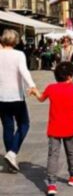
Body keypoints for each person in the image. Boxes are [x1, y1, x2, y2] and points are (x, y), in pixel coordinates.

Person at [31, 62, 73, 195]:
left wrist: (35, 91)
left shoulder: (51, 88)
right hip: (69, 128)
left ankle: (52, 184)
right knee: (71, 152)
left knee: (53, 155)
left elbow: (41, 98)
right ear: (70, 76)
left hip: (54, 128)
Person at [0, 29, 37, 172]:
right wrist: (32, 86)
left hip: (1, 97)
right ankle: (12, 152)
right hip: (16, 96)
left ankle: (11, 161)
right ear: (15, 40)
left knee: (8, 127)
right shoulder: (18, 54)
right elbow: (24, 71)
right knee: (24, 124)